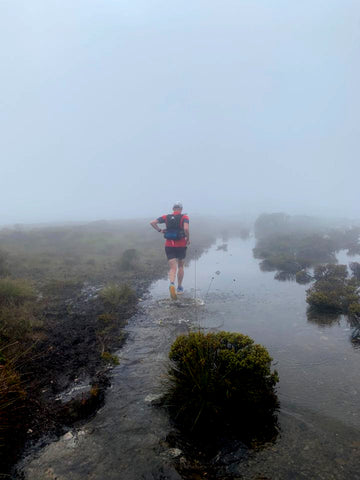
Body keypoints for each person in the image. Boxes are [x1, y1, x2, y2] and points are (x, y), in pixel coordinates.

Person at [150, 202, 190, 300]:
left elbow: (152, 222)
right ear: (181, 209)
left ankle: (172, 284)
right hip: (181, 245)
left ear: (173, 208)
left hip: (169, 245)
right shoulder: (185, 217)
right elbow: (186, 228)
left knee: (173, 267)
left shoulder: (165, 217)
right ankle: (179, 288)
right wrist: (188, 238)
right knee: (180, 266)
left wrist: (160, 230)